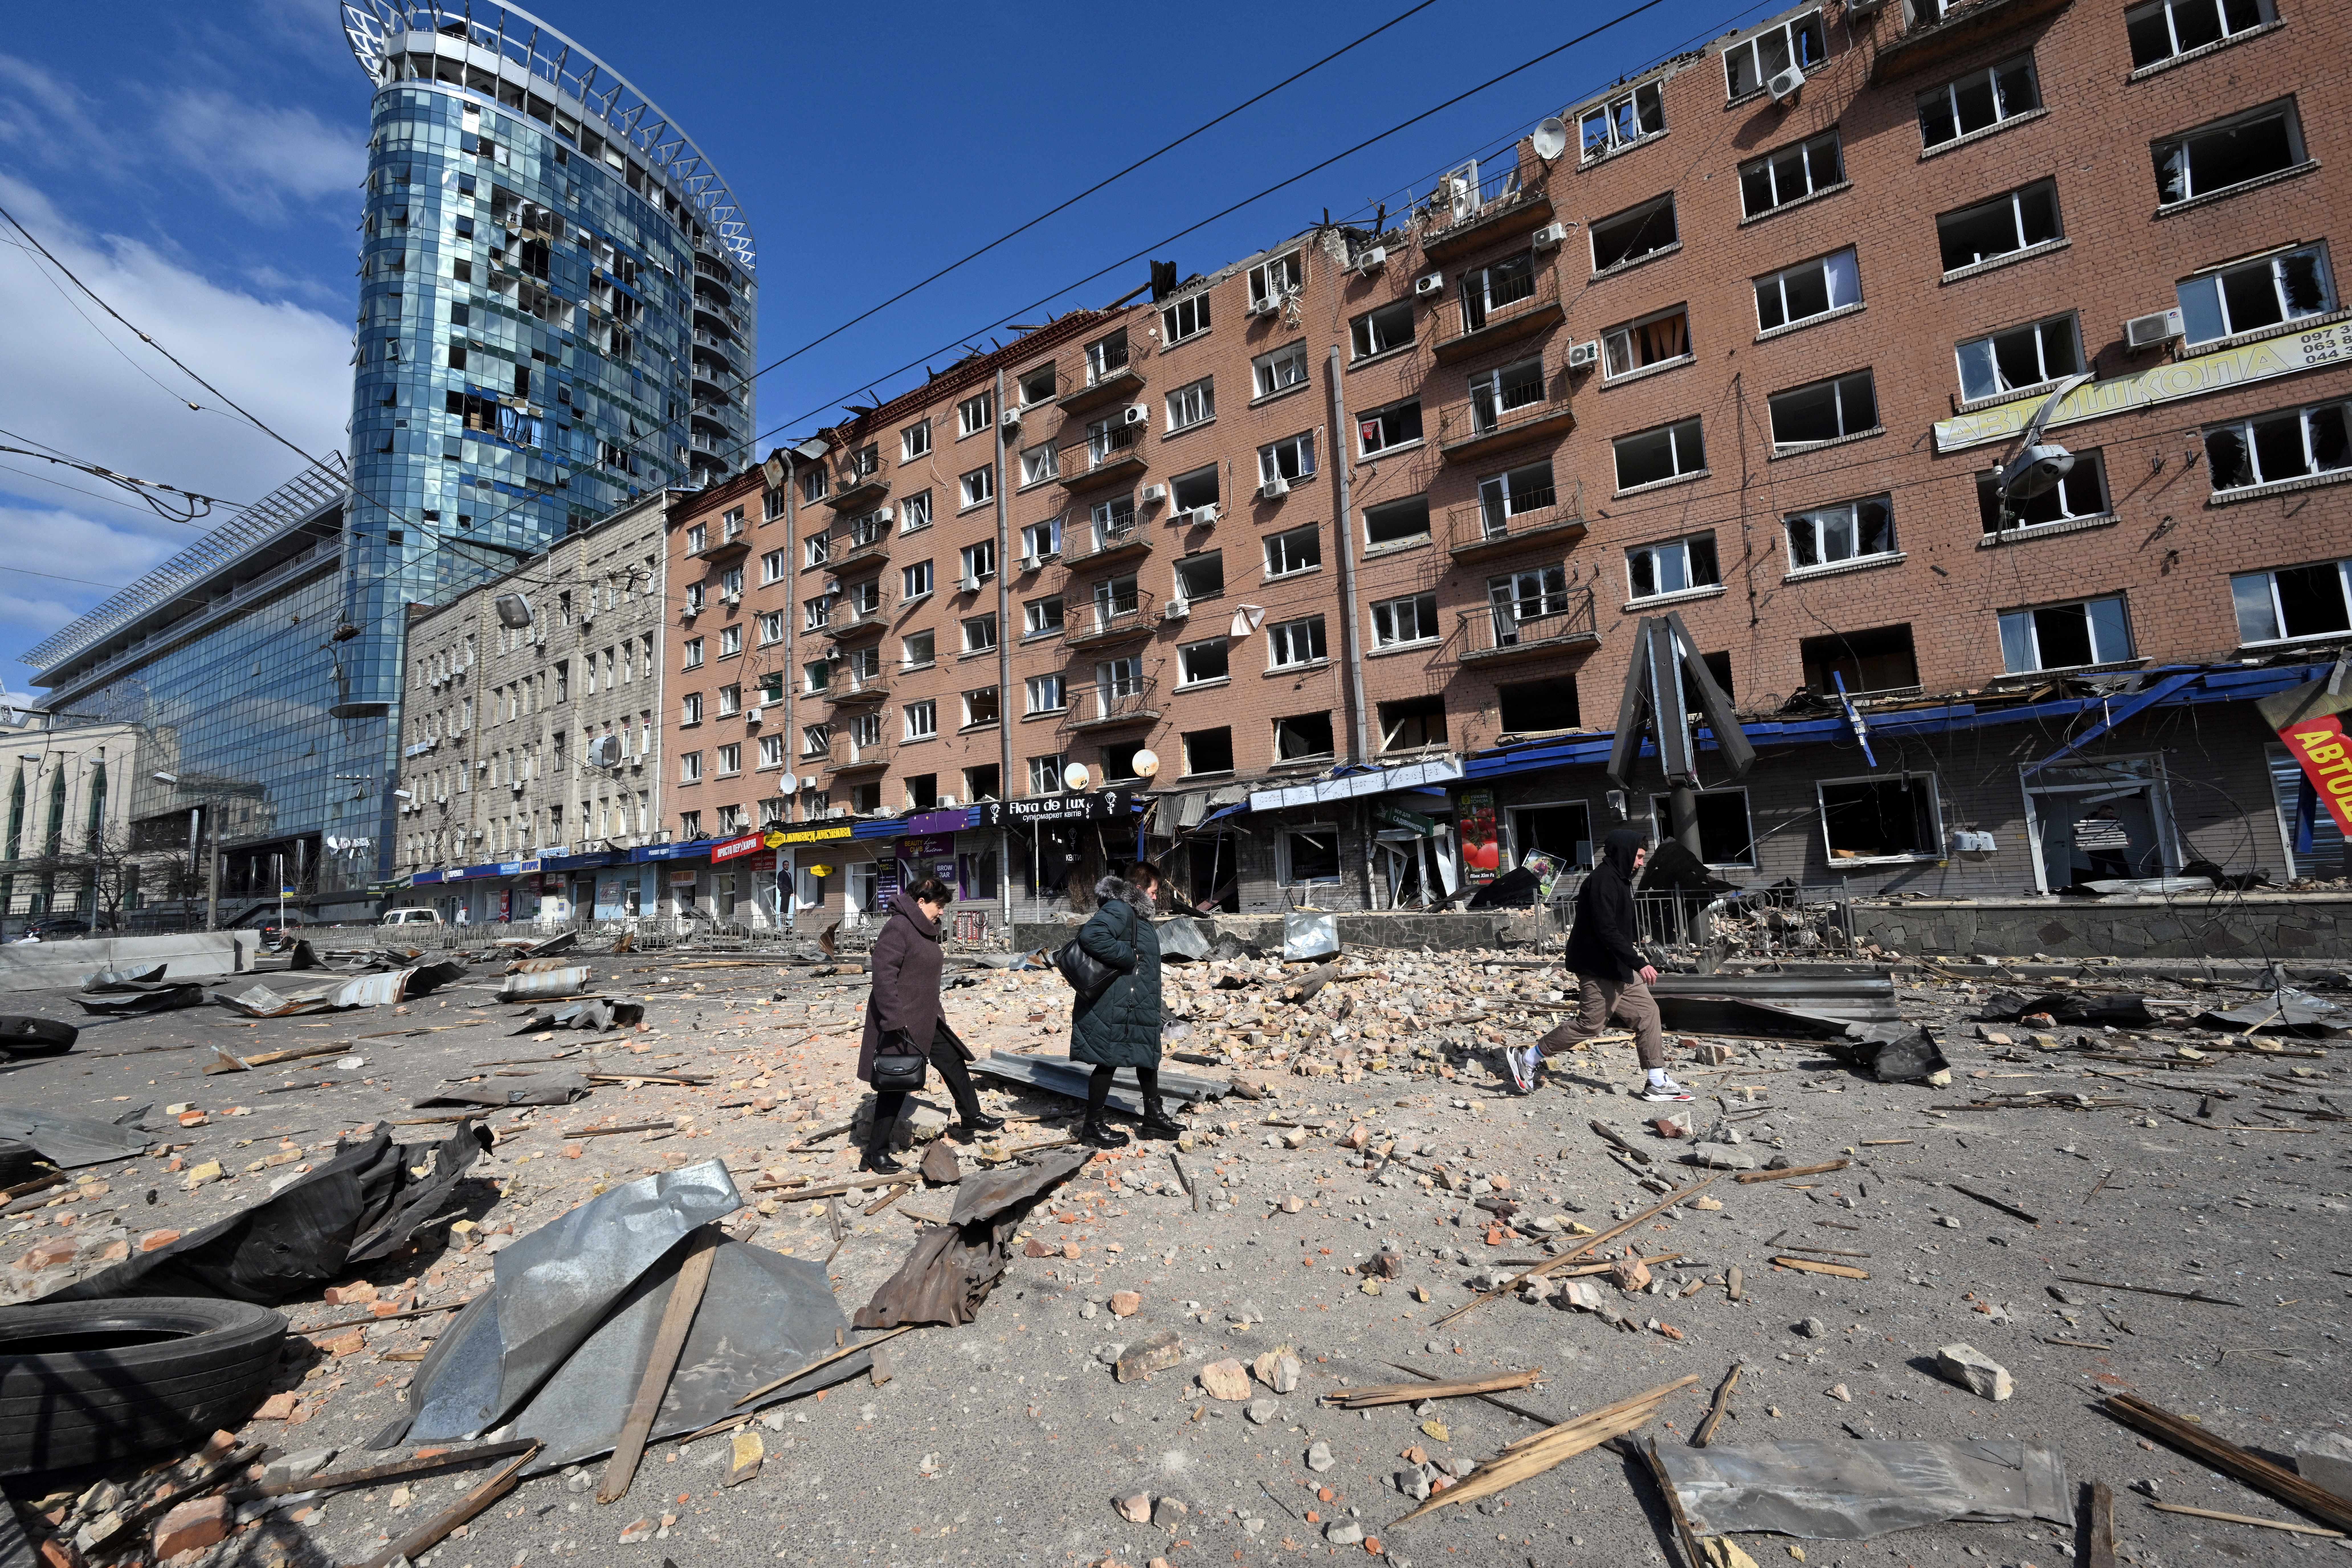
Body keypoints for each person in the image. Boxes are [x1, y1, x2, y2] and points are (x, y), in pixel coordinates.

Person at [1506, 827, 1690, 1102]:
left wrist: (1638, 942)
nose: (1641, 863)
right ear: (1626, 853)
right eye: (1639, 857)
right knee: (1591, 1025)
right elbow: (1606, 929)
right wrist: (1639, 962)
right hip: (1598, 968)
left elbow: (1619, 923)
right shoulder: (1602, 880)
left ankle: (1656, 1080)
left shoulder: (1620, 880)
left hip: (1618, 967)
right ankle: (1528, 1057)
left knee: (1648, 1012)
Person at [856, 876, 1004, 1174]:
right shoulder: (899, 926)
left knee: (953, 1061)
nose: (941, 912)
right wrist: (893, 1019)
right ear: (921, 902)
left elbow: (925, 979)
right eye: (938, 906)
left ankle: (971, 1115)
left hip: (926, 1018)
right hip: (900, 1021)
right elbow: (883, 976)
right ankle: (875, 1152)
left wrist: (937, 1012)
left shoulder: (924, 930)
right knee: (896, 1084)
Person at [1069, 860, 1181, 1150]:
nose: (1157, 898)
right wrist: (1129, 956)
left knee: (1147, 1053)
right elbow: (1091, 936)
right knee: (1108, 1060)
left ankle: (1153, 1117)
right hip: (1116, 1003)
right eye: (1155, 892)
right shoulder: (1119, 909)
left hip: (1135, 1001)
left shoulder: (1133, 914)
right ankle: (1092, 1125)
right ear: (1141, 889)